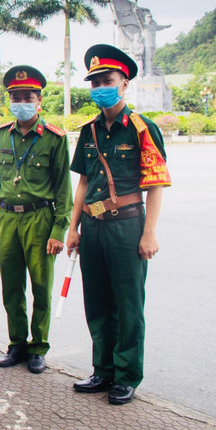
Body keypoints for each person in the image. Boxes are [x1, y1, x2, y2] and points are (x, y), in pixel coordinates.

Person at [66, 44, 170, 405]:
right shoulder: (89, 130)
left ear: (123, 84)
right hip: (93, 228)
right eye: (94, 83)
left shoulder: (143, 129)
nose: (100, 88)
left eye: (107, 81)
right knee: (97, 303)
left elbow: (155, 184)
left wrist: (150, 232)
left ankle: (127, 376)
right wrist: (73, 227)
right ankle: (103, 370)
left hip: (127, 228)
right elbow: (82, 183)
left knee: (128, 305)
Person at [0, 66, 72, 374]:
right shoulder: (0, 137)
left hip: (40, 220)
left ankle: (38, 346)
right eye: (15, 97)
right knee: (11, 287)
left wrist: (59, 228)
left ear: (39, 101)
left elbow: (63, 189)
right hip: (6, 219)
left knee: (41, 286)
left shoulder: (55, 139)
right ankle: (17, 343)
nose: (21, 102)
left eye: (27, 97)